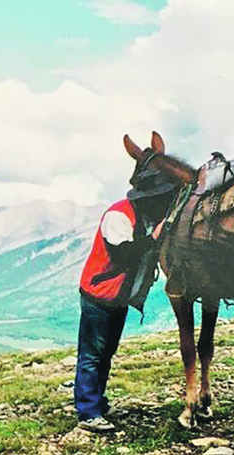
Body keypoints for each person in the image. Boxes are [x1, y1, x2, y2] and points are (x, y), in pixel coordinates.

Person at [74, 169, 176, 431]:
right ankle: (88, 412)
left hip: (116, 297)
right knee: (92, 355)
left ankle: (97, 403)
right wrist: (154, 239)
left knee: (105, 353)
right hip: (100, 295)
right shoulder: (119, 216)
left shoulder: (143, 216)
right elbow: (124, 255)